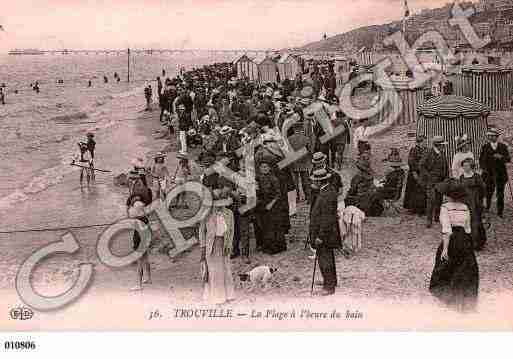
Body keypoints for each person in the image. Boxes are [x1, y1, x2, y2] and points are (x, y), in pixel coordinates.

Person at [429, 181, 479, 313]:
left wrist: (445, 248)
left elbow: (446, 230)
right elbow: (468, 228)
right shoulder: (465, 207)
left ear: (449, 195)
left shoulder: (445, 207)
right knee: (464, 268)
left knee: (446, 267)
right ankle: (463, 300)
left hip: (451, 240)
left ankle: (450, 298)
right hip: (464, 239)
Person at [199, 189, 235, 305]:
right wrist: (203, 248)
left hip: (224, 244)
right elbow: (202, 232)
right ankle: (216, 297)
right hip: (212, 245)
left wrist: (229, 244)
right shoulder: (206, 215)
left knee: (226, 269)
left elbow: (231, 231)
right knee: (214, 271)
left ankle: (228, 295)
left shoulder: (229, 214)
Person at [309, 169, 341, 296]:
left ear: (319, 181)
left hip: (325, 233)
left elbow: (327, 218)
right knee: (328, 258)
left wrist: (320, 236)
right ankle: (331, 281)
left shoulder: (326, 195)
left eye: (314, 181)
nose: (313, 183)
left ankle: (329, 287)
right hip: (328, 232)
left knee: (324, 259)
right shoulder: (328, 190)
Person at [360, 148, 405, 217]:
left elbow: (389, 184)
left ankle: (370, 211)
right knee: (374, 191)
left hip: (391, 192)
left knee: (372, 193)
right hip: (395, 192)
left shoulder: (392, 173)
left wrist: (380, 185)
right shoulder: (401, 172)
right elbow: (393, 184)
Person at [126, 177, 153, 291]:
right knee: (145, 254)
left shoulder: (136, 201)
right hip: (144, 224)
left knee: (139, 256)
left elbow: (130, 211)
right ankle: (148, 278)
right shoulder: (144, 198)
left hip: (139, 226)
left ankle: (139, 284)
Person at [256, 161, 287, 255]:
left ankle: (276, 247)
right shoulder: (259, 178)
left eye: (266, 167)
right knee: (266, 226)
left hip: (274, 205)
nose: (264, 169)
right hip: (264, 204)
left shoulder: (274, 179)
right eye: (262, 167)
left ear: (269, 168)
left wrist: (271, 204)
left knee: (274, 226)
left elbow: (278, 194)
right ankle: (267, 245)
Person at [479, 128, 511, 218]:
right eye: (489, 136)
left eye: (492, 136)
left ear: (497, 137)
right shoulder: (485, 147)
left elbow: (508, 159)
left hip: (501, 174)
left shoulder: (503, 146)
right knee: (488, 192)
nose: (490, 137)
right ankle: (488, 207)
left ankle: (500, 212)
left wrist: (501, 157)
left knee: (500, 193)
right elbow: (481, 160)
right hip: (488, 174)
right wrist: (484, 169)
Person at [419, 135, 449, 228]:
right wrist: (428, 176)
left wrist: (447, 177)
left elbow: (446, 166)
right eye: (442, 145)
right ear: (438, 145)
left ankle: (437, 216)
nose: (443, 146)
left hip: (441, 181)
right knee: (431, 200)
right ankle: (429, 220)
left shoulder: (442, 153)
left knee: (439, 199)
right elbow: (421, 165)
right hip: (431, 181)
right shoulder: (428, 152)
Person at [460, 157, 487, 251]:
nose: (465, 167)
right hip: (465, 202)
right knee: (466, 222)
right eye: (463, 166)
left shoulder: (476, 176)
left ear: (471, 166)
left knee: (476, 222)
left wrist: (481, 200)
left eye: (467, 165)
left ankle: (477, 243)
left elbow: (483, 188)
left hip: (475, 202)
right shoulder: (462, 177)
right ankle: (467, 243)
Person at [403, 134, 428, 216]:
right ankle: (412, 208)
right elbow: (411, 162)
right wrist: (414, 172)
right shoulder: (414, 150)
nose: (425, 143)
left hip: (423, 173)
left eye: (425, 142)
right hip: (415, 173)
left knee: (422, 191)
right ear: (418, 143)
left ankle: (421, 208)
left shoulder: (426, 150)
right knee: (413, 191)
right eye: (424, 142)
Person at [288, 122, 312, 203]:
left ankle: (296, 198)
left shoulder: (289, 139)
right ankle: (308, 197)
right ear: (301, 129)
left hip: (293, 163)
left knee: (295, 182)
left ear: (294, 129)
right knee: (306, 181)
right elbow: (310, 150)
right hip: (304, 162)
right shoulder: (306, 138)